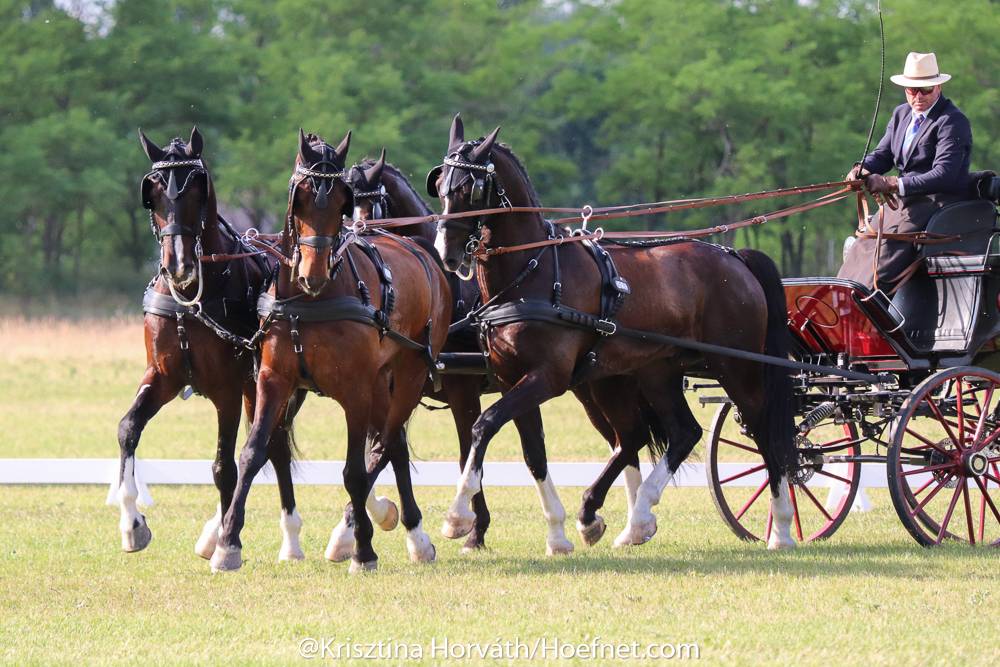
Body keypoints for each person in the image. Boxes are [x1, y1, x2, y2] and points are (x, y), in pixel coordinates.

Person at [838, 52, 973, 291]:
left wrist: (892, 183)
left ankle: (866, 306)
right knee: (862, 243)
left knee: (887, 247)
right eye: (912, 90)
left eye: (926, 89)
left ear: (938, 86)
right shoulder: (901, 114)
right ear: (905, 90)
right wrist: (862, 170)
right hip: (903, 203)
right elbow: (883, 155)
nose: (918, 96)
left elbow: (944, 174)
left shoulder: (952, 121)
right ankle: (840, 298)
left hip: (937, 202)